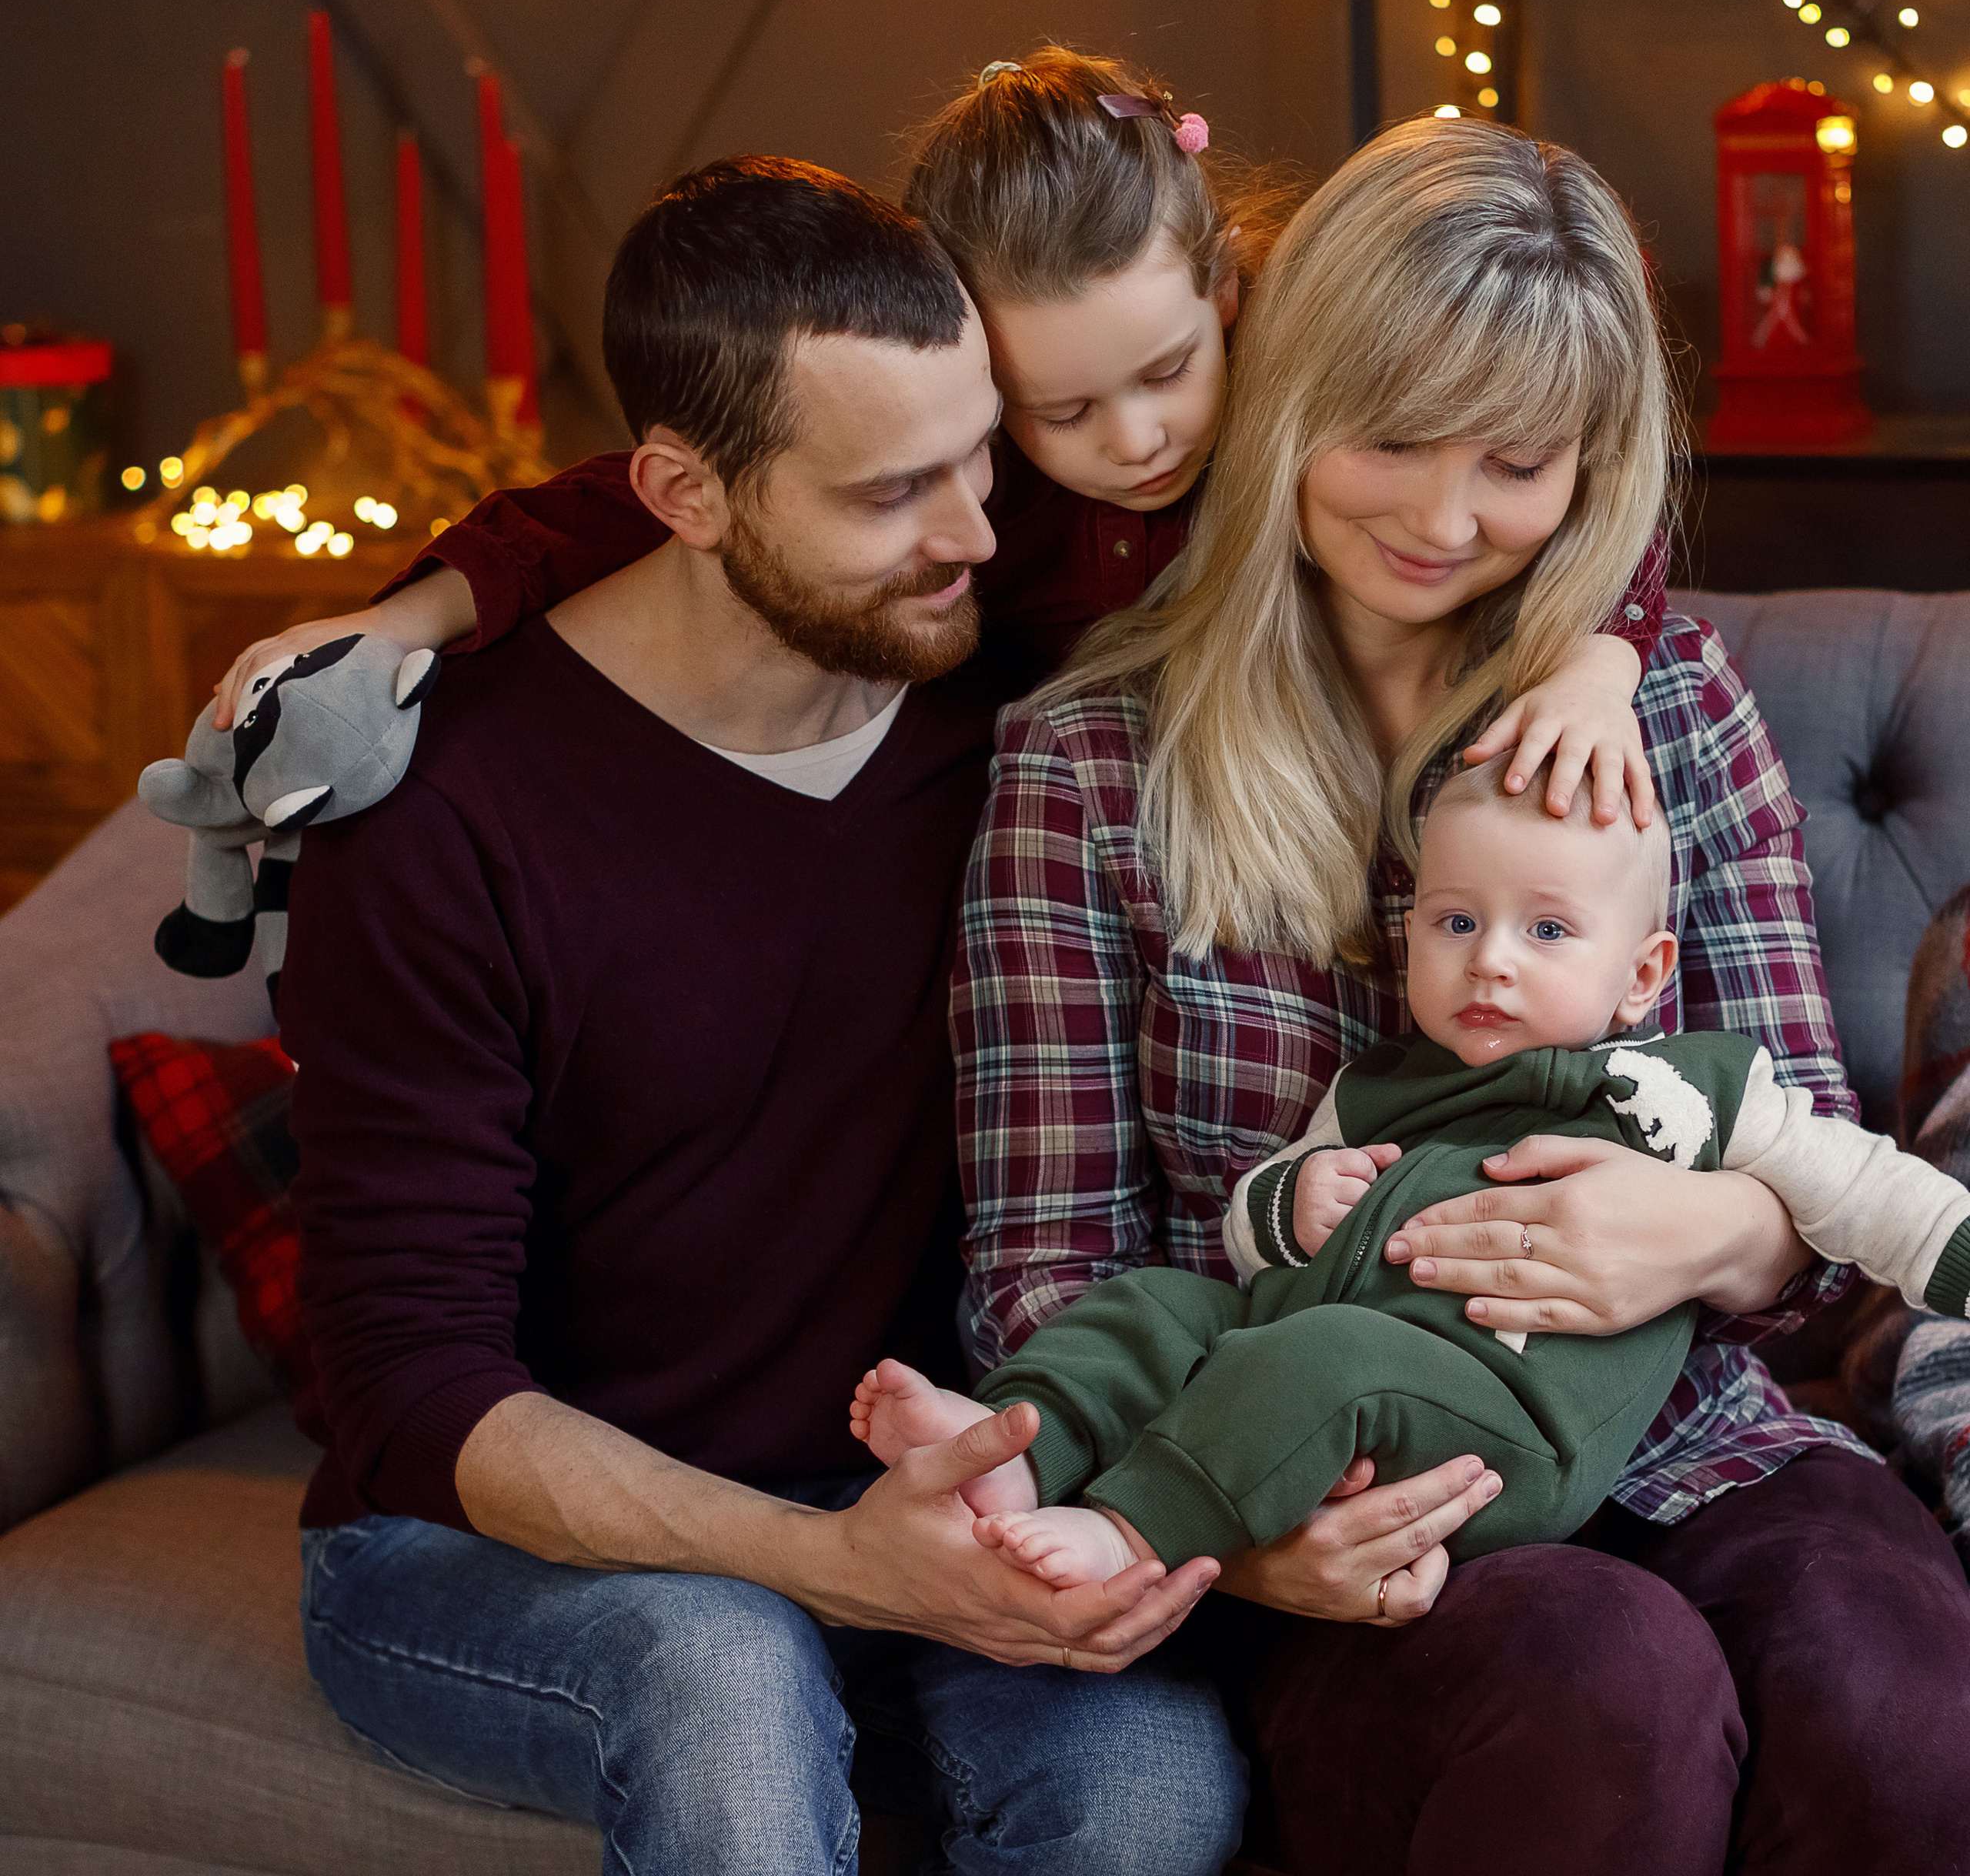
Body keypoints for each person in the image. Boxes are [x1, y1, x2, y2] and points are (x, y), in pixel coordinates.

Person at [951, 114, 1970, 1874]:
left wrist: (1697, 1239)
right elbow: (1039, 1263)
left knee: (1893, 1698)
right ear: (1282, 394)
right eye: (1391, 438)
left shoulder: (1661, 706)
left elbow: (1808, 1149)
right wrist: (1230, 1517)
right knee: (1597, 1694)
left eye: (1514, 461)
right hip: (1332, 1473)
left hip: (1684, 1425)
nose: (1443, 518)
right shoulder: (1082, 763)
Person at [280, 155, 1248, 1876]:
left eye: (980, 453)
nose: (971, 525)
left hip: (936, 1494)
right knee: (719, 1663)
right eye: (893, 491)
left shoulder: (1006, 680)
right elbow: (408, 1382)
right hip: (485, 1554)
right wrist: (823, 1565)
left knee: (1153, 1786)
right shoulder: (440, 817)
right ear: (683, 491)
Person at [213, 48, 1663, 830]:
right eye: (1058, 410)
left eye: (1169, 369)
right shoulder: (963, 482)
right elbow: (617, 507)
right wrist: (399, 616)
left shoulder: (1313, 368)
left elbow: (1555, 451)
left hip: (1283, 795)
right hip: (1040, 830)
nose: (1142, 440)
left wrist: (1605, 655)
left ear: (1226, 287)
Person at [856, 751, 1970, 1588]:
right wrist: (1290, 1205)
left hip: (1511, 1429)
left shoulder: (1692, 1092)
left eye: (1546, 931)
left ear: (1642, 973)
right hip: (1312, 1366)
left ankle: (1133, 1531)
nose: (1489, 958)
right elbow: (1254, 1230)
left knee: (1326, 1357)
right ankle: (1017, 1449)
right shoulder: (1378, 1084)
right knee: (1155, 1308)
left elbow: (1870, 1190)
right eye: (1455, 921)